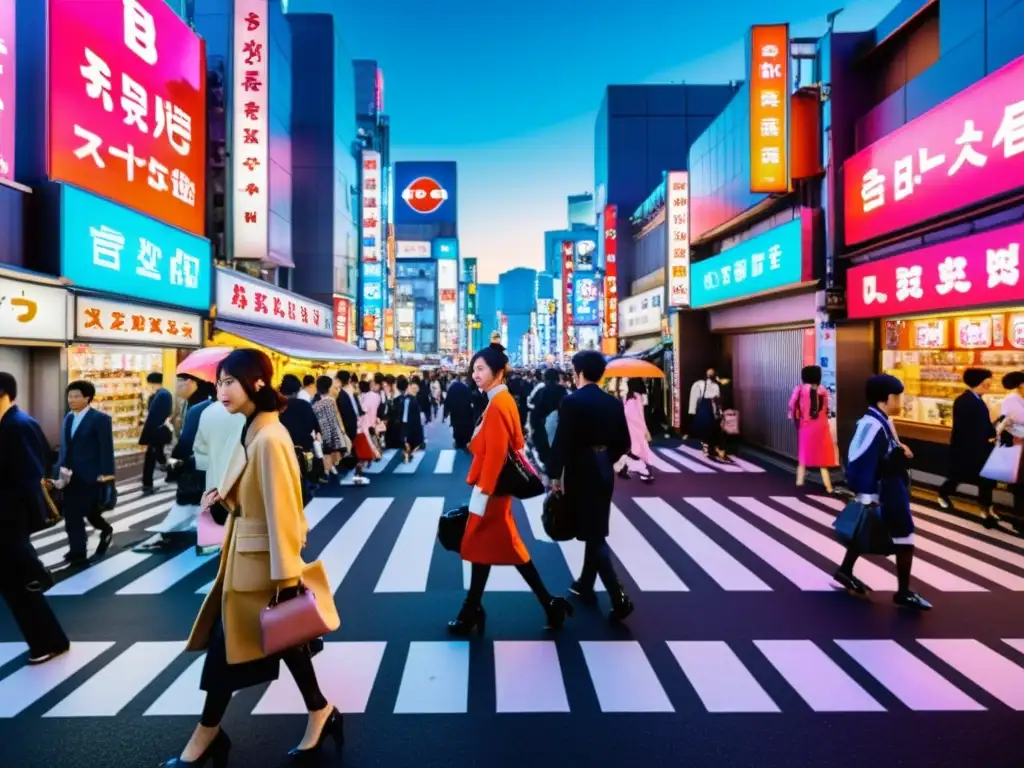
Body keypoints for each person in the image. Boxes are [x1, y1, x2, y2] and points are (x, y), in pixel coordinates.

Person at [165, 349, 341, 766]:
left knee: (230, 654)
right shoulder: (254, 430)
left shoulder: (269, 437)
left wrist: (286, 581)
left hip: (261, 568)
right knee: (284, 642)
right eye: (219, 382)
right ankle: (321, 711)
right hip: (248, 562)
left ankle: (205, 738)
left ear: (257, 384)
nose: (221, 391)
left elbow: (284, 513)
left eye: (230, 382)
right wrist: (225, 501)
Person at [449, 343, 573, 635]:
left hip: (491, 491)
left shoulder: (497, 404)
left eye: (481, 369)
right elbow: (515, 442)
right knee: (490, 551)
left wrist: (483, 492)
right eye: (474, 368)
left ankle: (474, 610)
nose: (475, 374)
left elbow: (495, 454)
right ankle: (476, 608)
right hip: (494, 490)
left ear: (498, 371)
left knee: (490, 548)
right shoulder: (499, 401)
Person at [549, 350, 634, 621]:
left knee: (594, 534)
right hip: (603, 468)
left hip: (580, 469)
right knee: (594, 525)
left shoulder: (571, 402)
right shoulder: (613, 402)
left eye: (574, 371)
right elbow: (624, 442)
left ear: (580, 372)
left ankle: (618, 596)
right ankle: (585, 583)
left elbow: (562, 441)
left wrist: (554, 475)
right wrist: (604, 456)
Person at [834, 374, 931, 610]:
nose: (900, 400)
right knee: (904, 536)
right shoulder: (872, 424)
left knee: (867, 530)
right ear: (885, 399)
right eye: (897, 395)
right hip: (885, 491)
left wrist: (899, 450)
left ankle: (846, 571)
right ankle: (903, 592)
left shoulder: (881, 420)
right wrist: (867, 496)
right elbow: (857, 460)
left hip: (888, 488)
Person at [0, 372, 71, 665]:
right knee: (16, 586)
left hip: (9, 521)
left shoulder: (18, 425)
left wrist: (22, 529)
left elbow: (31, 477)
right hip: (7, 520)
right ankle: (50, 641)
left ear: (3, 393)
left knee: (19, 586)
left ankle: (49, 642)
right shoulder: (9, 424)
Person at [137, 373, 216, 552]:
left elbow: (188, 440)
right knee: (193, 504)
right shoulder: (192, 403)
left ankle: (178, 537)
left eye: (178, 382)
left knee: (189, 502)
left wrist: (175, 461)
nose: (176, 387)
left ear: (189, 382)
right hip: (200, 466)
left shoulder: (200, 406)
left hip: (196, 464)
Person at [56, 380, 115, 564]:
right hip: (70, 476)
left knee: (87, 512)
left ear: (87, 398)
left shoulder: (100, 419)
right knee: (73, 512)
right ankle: (78, 550)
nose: (71, 400)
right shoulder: (68, 418)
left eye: (76, 396)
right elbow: (66, 447)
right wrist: (59, 470)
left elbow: (106, 448)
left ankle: (101, 532)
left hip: (91, 475)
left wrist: (107, 474)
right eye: (70, 396)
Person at [938, 368, 999, 526]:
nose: (989, 386)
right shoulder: (964, 401)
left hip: (981, 446)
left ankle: (986, 508)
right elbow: (965, 428)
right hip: (967, 448)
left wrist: (992, 433)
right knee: (958, 476)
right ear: (979, 383)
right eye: (987, 382)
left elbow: (984, 424)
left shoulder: (978, 399)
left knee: (986, 479)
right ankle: (943, 494)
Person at [789, 365, 837, 493]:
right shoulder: (823, 390)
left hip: (806, 426)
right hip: (821, 426)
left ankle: (799, 483)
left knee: (803, 457)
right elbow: (827, 409)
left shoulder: (799, 389)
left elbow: (792, 405)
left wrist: (795, 420)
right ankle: (829, 487)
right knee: (822, 460)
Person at [614, 378, 654, 483]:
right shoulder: (637, 397)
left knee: (635, 450)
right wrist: (646, 430)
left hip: (629, 429)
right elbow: (641, 415)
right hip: (638, 429)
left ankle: (624, 468)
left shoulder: (626, 398)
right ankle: (644, 473)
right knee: (640, 451)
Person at [140, 372, 173, 495]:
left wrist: (146, 435)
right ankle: (169, 473)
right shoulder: (162, 394)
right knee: (157, 455)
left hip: (156, 431)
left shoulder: (161, 395)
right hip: (158, 430)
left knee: (151, 457)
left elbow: (154, 416)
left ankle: (147, 484)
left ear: (152, 383)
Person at [528, 368, 566, 474]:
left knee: (547, 456)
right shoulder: (563, 391)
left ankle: (551, 481)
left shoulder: (541, 391)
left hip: (543, 427)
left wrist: (534, 429)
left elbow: (534, 410)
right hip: (560, 426)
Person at [312, 376, 346, 478]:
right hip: (332, 428)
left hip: (321, 429)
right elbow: (337, 415)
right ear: (329, 387)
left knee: (325, 450)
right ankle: (331, 468)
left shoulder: (314, 403)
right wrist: (342, 428)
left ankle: (327, 470)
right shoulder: (331, 400)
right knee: (332, 450)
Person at [688, 367, 725, 459]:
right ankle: (706, 447)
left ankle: (709, 447)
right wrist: (692, 410)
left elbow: (718, 400)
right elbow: (695, 398)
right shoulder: (700, 384)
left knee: (712, 428)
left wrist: (720, 412)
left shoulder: (715, 386)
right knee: (706, 428)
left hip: (712, 409)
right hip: (705, 409)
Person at [396, 376, 425, 461]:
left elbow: (405, 418)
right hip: (414, 426)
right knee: (413, 442)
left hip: (409, 426)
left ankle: (407, 453)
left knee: (408, 442)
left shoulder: (406, 399)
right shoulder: (410, 398)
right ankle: (408, 453)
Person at [444, 373, 475, 450]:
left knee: (457, 427)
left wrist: (446, 413)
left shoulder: (452, 388)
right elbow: (471, 399)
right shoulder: (466, 388)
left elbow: (447, 401)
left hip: (455, 412)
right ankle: (468, 442)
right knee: (467, 427)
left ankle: (459, 443)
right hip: (466, 412)